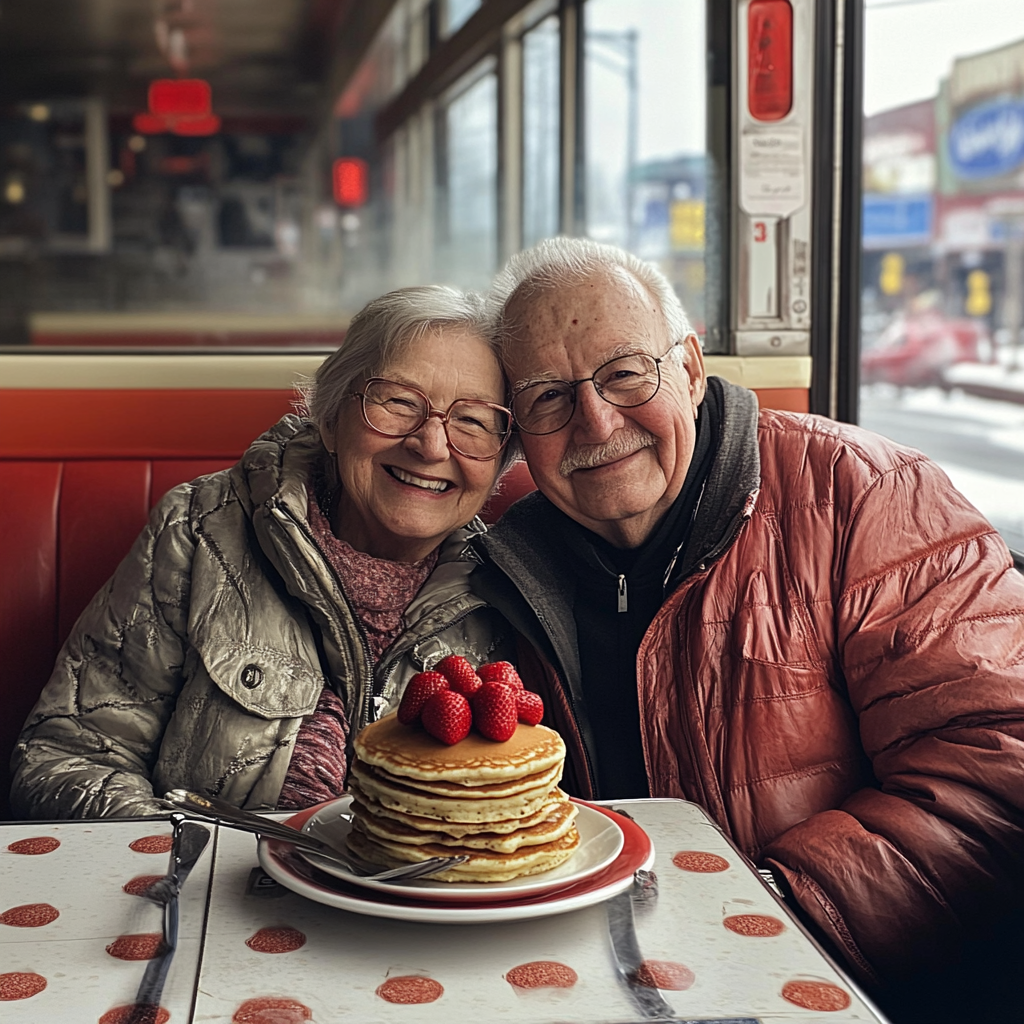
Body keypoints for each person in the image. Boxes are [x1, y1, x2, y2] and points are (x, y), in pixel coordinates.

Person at [469, 237, 1024, 1003]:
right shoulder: (499, 566)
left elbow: (997, 769)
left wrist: (764, 912)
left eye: (626, 375)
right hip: (579, 971)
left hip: (837, 974)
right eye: (549, 398)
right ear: (516, 430)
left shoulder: (868, 496)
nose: (595, 423)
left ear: (691, 370)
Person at [12, 285, 516, 819]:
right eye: (398, 402)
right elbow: (64, 758)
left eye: (473, 421)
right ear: (329, 417)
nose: (432, 445)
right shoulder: (199, 531)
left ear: (500, 462)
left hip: (425, 897)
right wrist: (187, 852)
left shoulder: (511, 585)